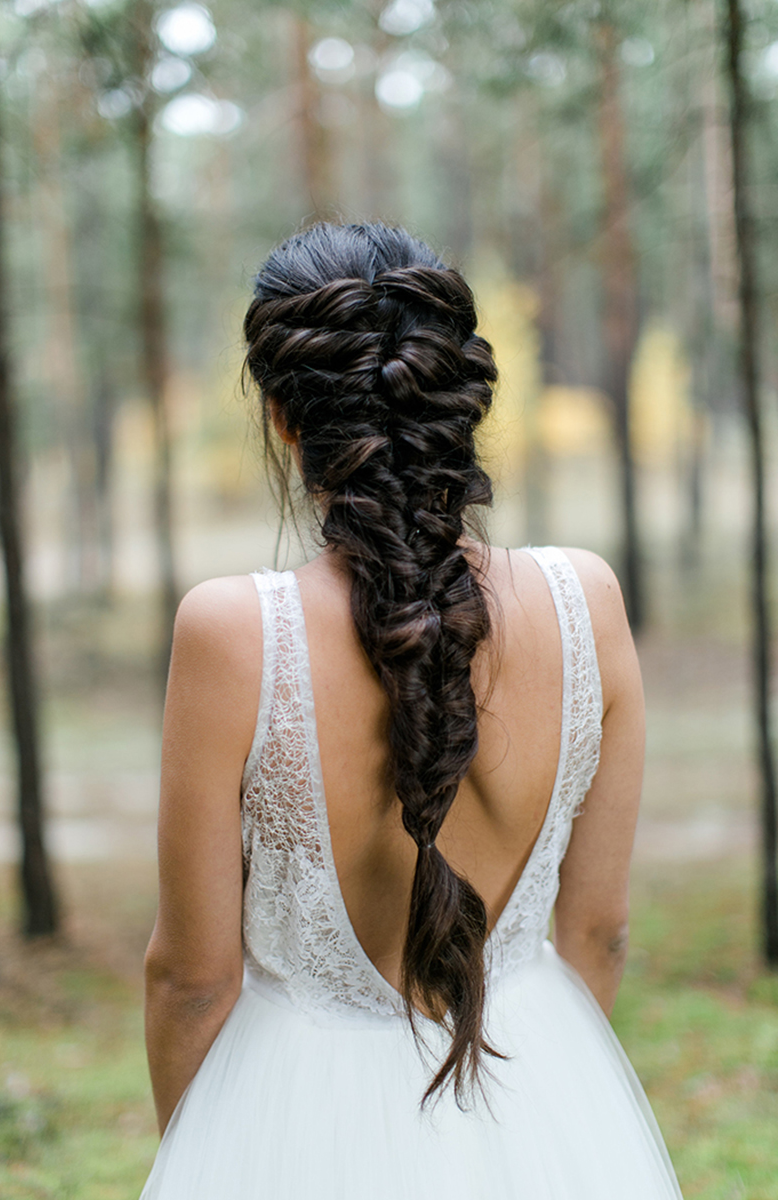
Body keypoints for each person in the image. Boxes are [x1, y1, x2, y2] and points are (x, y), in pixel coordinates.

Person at [138, 222, 682, 1198]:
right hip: (534, 1086)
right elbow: (596, 930)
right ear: (462, 401)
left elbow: (191, 978)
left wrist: (202, 1149)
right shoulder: (584, 601)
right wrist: (560, 1099)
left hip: (290, 1119)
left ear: (282, 419)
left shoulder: (230, 633)